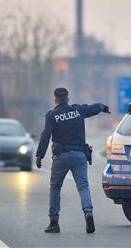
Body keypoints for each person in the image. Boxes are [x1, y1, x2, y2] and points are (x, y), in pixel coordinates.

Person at [36, 88, 110, 234]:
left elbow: (46, 136)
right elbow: (94, 108)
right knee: (83, 187)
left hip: (61, 157)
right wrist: (103, 107)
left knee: (55, 188)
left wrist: (40, 155)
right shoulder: (78, 111)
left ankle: (54, 223)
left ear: (55, 99)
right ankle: (88, 213)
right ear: (68, 99)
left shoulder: (52, 115)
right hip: (79, 155)